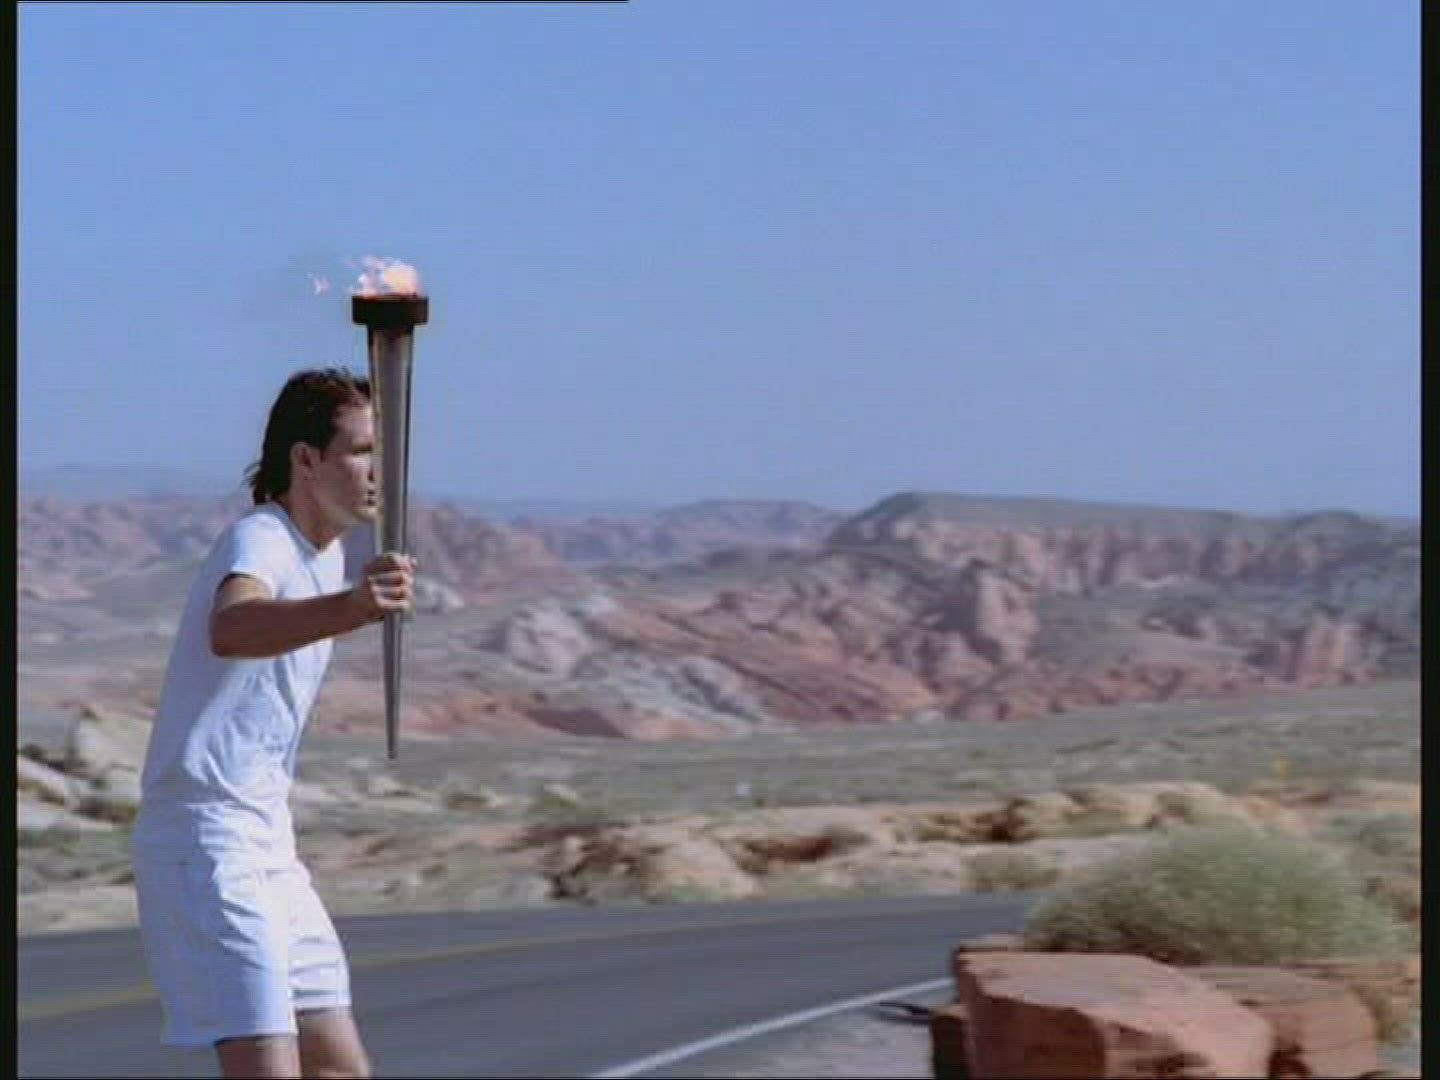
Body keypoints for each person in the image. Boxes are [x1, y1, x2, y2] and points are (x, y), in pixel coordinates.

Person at [131, 368, 415, 1079]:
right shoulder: (261, 538)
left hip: (269, 843)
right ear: (306, 459)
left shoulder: (328, 555)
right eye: (362, 451)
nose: (378, 473)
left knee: (340, 1068)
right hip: (207, 842)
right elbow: (232, 627)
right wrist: (353, 608)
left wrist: (351, 598)